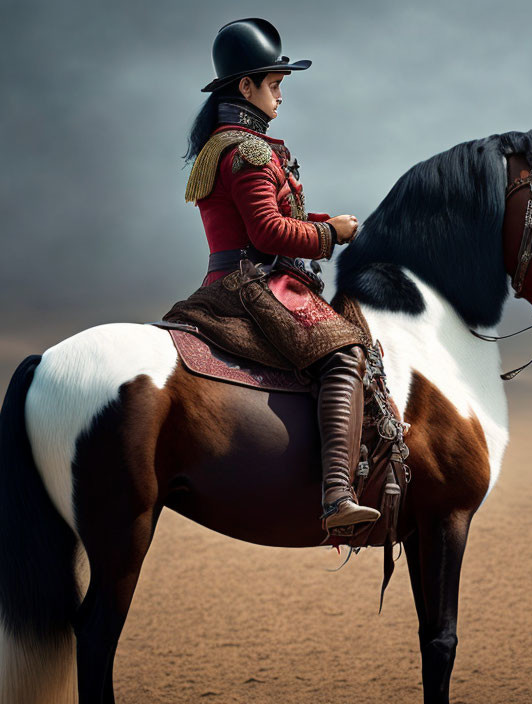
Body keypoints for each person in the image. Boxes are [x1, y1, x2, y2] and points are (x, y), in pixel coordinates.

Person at [183, 18, 380, 531]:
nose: (280, 97)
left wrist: (331, 224)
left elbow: (273, 220)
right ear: (245, 87)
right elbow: (268, 233)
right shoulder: (247, 151)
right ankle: (337, 495)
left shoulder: (228, 145)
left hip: (232, 278)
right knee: (344, 353)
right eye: (274, 85)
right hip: (255, 285)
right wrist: (329, 237)